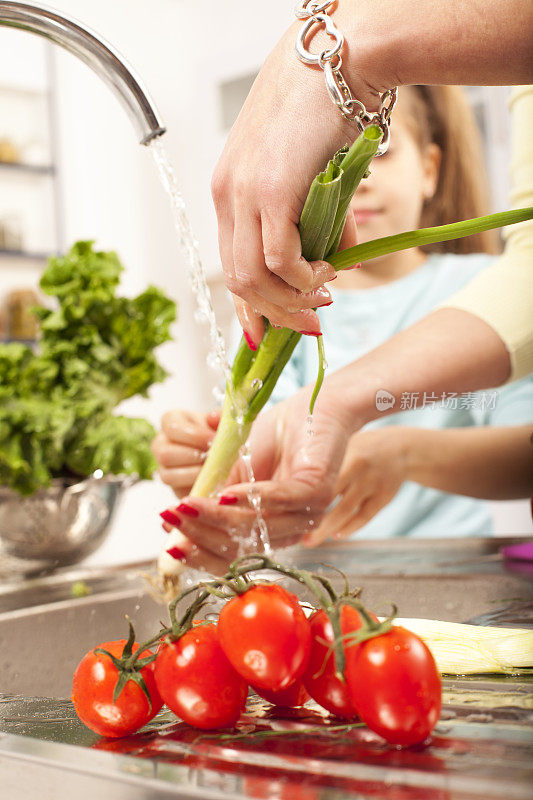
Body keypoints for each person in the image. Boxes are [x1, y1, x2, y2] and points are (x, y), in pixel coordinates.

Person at [154, 85, 533, 558]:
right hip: (310, 577)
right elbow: (255, 455)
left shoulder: (490, 291)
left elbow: (526, 452)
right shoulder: (278, 305)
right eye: (330, 161)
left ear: (430, 171)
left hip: (447, 561)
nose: (360, 179)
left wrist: (402, 454)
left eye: (383, 150)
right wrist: (201, 459)